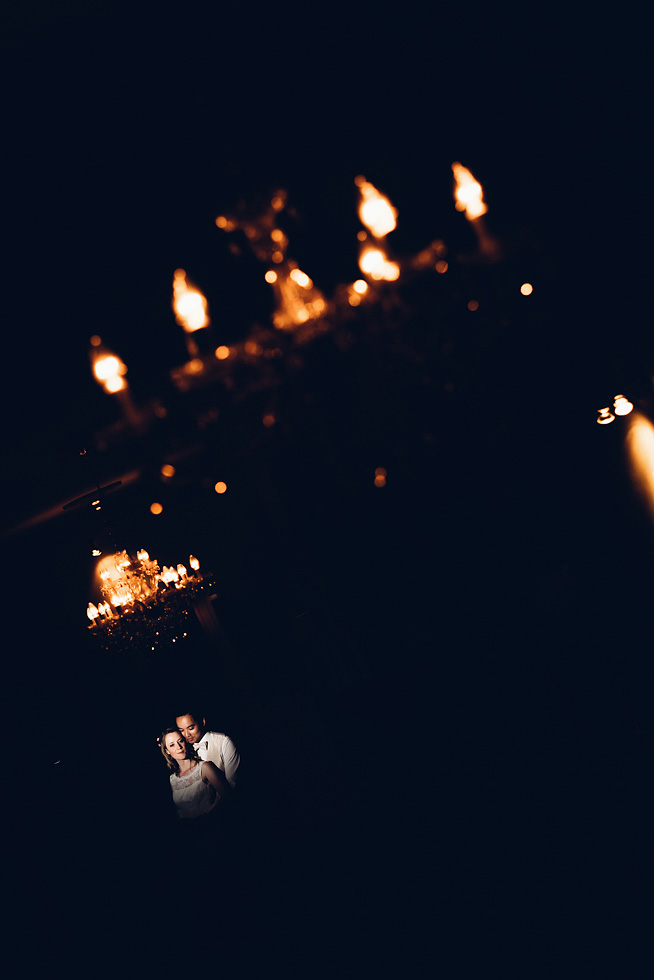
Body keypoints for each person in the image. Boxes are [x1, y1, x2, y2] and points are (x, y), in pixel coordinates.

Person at [159, 727, 230, 823]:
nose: (179, 747)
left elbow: (228, 797)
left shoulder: (205, 767)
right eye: (172, 745)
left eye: (180, 741)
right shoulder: (172, 779)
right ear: (167, 751)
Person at [175, 711, 240, 789]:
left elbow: (232, 784)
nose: (186, 734)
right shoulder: (183, 747)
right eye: (181, 730)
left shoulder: (224, 742)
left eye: (191, 728)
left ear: (203, 722)